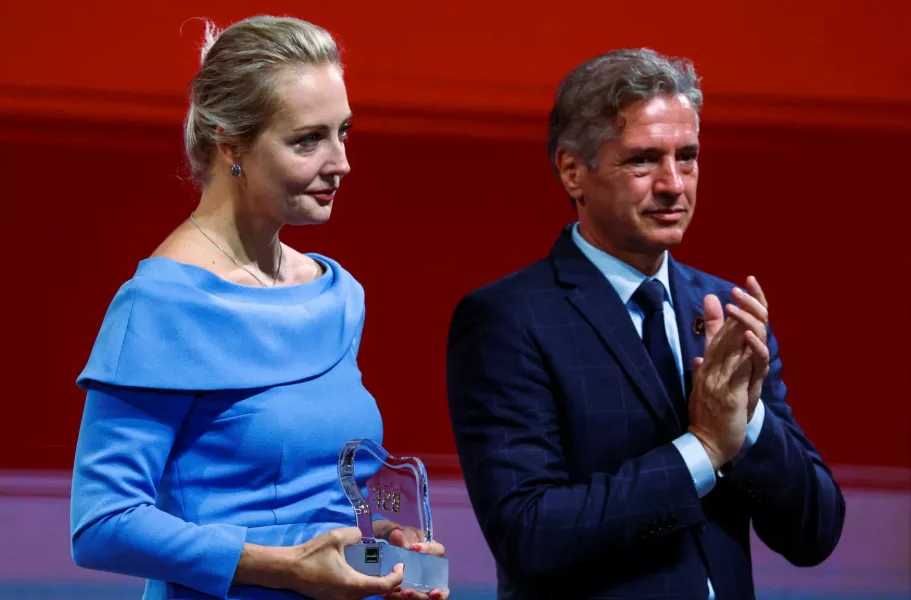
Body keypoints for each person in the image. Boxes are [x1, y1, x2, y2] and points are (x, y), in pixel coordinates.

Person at [69, 15, 447, 600]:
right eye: (308, 140)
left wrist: (381, 540)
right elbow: (102, 526)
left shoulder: (337, 293)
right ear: (230, 144)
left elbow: (327, 482)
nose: (341, 162)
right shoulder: (160, 305)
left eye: (343, 132)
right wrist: (283, 565)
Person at [445, 48, 845, 600]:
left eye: (688, 157)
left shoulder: (727, 314)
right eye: (643, 160)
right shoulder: (507, 319)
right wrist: (703, 450)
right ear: (571, 171)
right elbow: (529, 534)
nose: (673, 184)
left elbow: (815, 534)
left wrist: (749, 423)